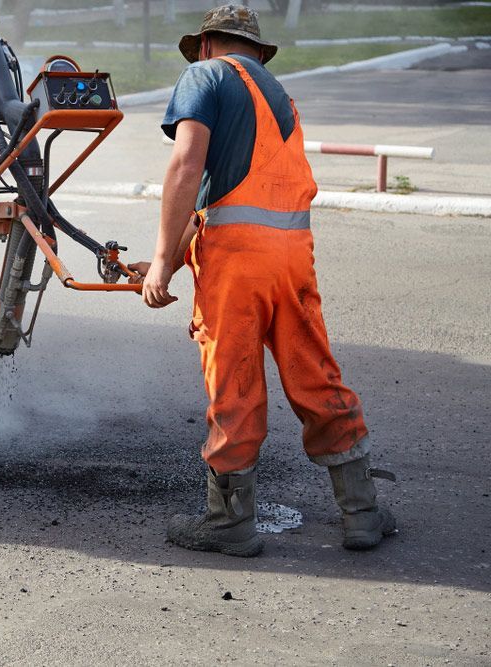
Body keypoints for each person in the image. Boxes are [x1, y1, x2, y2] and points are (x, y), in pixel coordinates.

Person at [128, 4, 395, 557]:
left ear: (206, 44)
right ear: (257, 51)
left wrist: (158, 258)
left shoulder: (205, 75)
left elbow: (186, 165)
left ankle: (230, 523)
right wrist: (170, 264)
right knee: (315, 373)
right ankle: (362, 512)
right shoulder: (280, 99)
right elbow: (225, 200)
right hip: (293, 259)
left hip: (237, 266)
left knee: (236, 382)